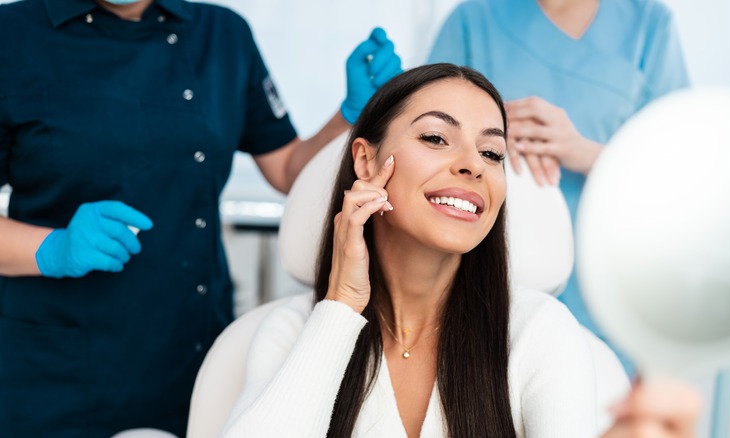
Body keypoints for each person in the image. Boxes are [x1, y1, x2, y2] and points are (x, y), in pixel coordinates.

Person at [221, 63, 701, 438]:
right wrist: (342, 303)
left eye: (492, 153)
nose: (473, 165)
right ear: (365, 160)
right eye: (435, 138)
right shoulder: (292, 332)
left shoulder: (537, 334)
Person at [0, 0, 401, 436]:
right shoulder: (12, 34)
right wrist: (52, 249)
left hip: (191, 346)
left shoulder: (222, 34)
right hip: (57, 365)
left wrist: (350, 114)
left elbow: (287, 168)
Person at [427, 0, 690, 374]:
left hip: (607, 295)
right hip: (482, 289)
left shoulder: (648, 25)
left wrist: (585, 152)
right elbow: (423, 140)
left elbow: (683, 176)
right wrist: (483, 132)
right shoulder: (474, 20)